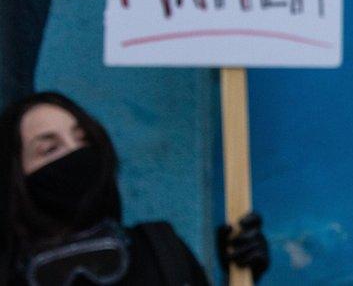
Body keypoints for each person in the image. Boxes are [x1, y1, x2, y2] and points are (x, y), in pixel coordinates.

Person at [0, 91, 270, 285]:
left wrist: (240, 274)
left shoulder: (161, 252)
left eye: (83, 139)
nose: (75, 152)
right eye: (49, 149)